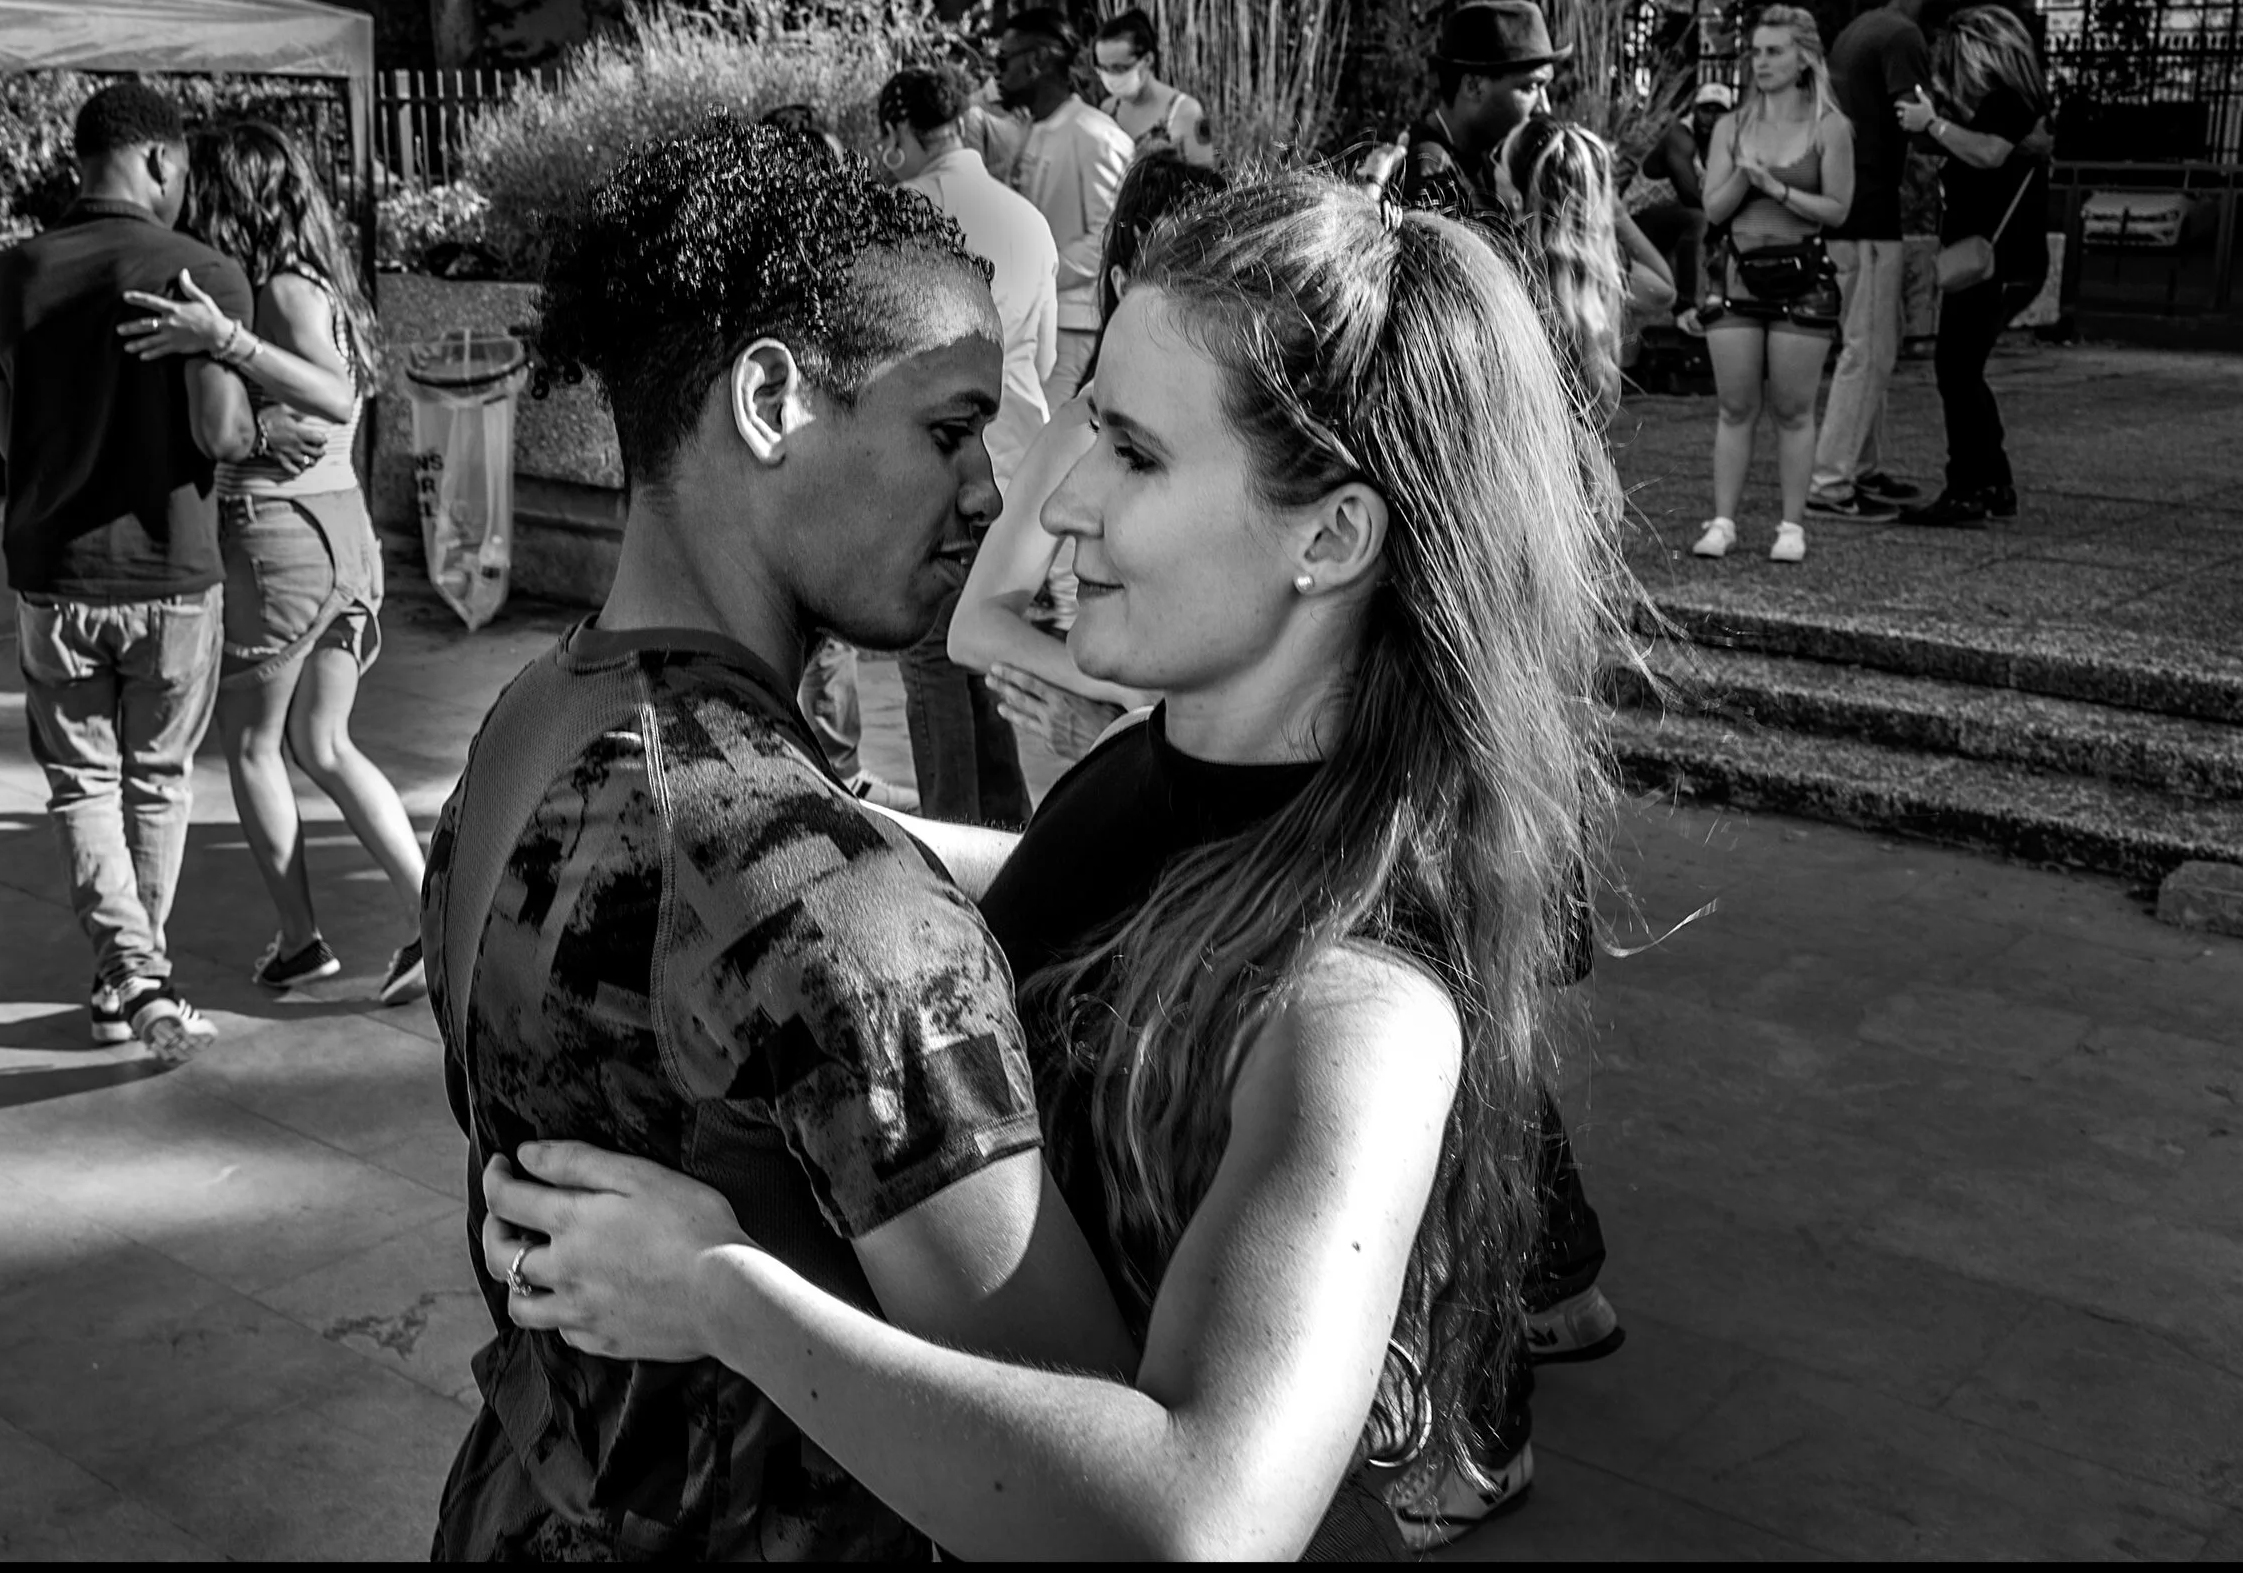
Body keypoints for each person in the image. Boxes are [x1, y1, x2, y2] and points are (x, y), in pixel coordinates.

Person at [476, 171, 1641, 1558]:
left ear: (1328, 537)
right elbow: (1079, 911)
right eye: (1090, 431)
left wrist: (722, 1294)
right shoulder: (1153, 771)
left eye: (1136, 456)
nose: (1058, 503)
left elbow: (1198, 1516)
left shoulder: (1366, 1004)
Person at [419, 116, 1140, 1561]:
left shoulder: (530, 721)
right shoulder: (834, 907)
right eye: (949, 428)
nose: (994, 489)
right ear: (769, 399)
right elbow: (1098, 1481)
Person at [112, 121, 426, 1004]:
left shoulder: (276, 292)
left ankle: (301, 939)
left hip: (280, 539)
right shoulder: (316, 281)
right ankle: (429, 917)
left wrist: (223, 344)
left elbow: (333, 394)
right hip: (335, 531)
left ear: (229, 195)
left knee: (255, 746)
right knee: (322, 743)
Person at [0, 82, 254, 1063]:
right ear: (163, 163)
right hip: (175, 571)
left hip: (54, 575)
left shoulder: (7, 278)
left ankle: (128, 975)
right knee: (158, 781)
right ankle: (140, 973)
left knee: (83, 785)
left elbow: (10, 441)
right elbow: (221, 430)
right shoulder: (204, 272)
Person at [947, 151, 1227, 761]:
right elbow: (973, 628)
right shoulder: (1083, 428)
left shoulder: (1229, 429)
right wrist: (1120, 689)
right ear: (1125, 285)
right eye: (1187, 280)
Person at [875, 68, 1064, 828]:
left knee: (929, 659)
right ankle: (1010, 832)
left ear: (897, 132)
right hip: (1018, 459)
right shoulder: (1028, 218)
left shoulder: (903, 213)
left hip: (937, 465)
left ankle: (952, 847)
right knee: (982, 653)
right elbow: (1045, 358)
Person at [757, 103, 923, 813]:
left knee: (817, 634)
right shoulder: (790, 261)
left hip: (812, 468)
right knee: (809, 631)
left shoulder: (827, 257)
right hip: (796, 468)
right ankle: (819, 777)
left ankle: (827, 777)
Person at [1694, 6, 1854, 565]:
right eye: (1757, 51)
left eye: (1775, 51)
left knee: (1793, 407)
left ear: (1803, 57)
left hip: (1802, 278)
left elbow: (1838, 209)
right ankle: (1723, 521)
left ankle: (1791, 525)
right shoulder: (1732, 126)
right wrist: (1745, 173)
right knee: (1734, 406)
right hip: (1737, 274)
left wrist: (1777, 189)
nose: (1762, 62)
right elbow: (1713, 206)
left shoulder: (1829, 126)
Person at [1804, 0, 1957, 524]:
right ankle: (1832, 481)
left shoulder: (1860, 28)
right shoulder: (1901, 38)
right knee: (1869, 350)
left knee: (1869, 344)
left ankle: (1861, 468)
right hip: (1869, 214)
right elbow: (1912, 125)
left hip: (1850, 209)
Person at [1895, 6, 2052, 529]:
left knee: (1957, 371)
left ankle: (1968, 488)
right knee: (1965, 372)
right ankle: (1993, 480)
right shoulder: (2010, 104)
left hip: (1994, 262)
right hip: (1997, 260)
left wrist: (1932, 123)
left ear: (1981, 53)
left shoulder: (2009, 101)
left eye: (1958, 57)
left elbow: (1987, 154)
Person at [1497, 112, 1677, 421]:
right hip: (1592, 460)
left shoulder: (1504, 270)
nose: (1494, 168)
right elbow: (1662, 288)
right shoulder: (1590, 275)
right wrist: (1614, 211)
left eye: (1499, 160)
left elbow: (1664, 291)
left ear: (1516, 197)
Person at [997, 8, 1134, 408]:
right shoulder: (1031, 129)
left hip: (1069, 328)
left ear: (1037, 61)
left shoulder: (1096, 137)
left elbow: (1105, 241)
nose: (997, 73)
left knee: (1042, 447)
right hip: (1026, 319)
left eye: (1004, 60)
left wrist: (1033, 273)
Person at [1400, 0, 1568, 225]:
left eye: (1545, 87)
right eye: (1530, 87)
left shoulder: (1486, 157)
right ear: (1473, 86)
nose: (1544, 107)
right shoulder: (1430, 174)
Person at [1628, 81, 1734, 323]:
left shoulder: (1719, 144)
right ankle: (1686, 306)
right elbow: (1688, 193)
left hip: (1673, 218)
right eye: (1706, 110)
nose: (1711, 117)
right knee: (1699, 219)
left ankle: (1718, 298)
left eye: (1719, 111)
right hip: (1640, 219)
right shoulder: (1679, 137)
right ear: (1694, 110)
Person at [1091, 8, 1217, 168]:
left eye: (1119, 68)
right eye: (1103, 68)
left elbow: (1205, 179)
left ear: (1147, 59)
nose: (1110, 77)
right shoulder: (1108, 110)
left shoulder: (1185, 111)